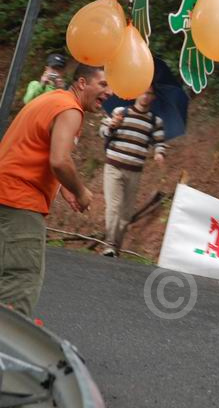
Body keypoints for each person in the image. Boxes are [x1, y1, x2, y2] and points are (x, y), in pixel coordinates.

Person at [0, 64, 110, 317]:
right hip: (19, 202)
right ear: (82, 83)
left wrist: (61, 186)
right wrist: (81, 191)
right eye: (103, 84)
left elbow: (34, 147)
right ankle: (8, 350)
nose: (109, 92)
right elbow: (59, 161)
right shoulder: (71, 109)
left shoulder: (52, 99)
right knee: (21, 281)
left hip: (6, 194)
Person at [99, 86, 166, 257]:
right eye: (143, 92)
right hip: (114, 166)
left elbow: (159, 141)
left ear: (153, 97)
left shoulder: (154, 121)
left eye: (150, 93)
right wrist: (112, 125)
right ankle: (109, 244)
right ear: (136, 93)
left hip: (134, 171)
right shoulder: (121, 112)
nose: (145, 96)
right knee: (114, 207)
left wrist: (159, 153)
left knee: (126, 214)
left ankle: (115, 249)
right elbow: (103, 131)